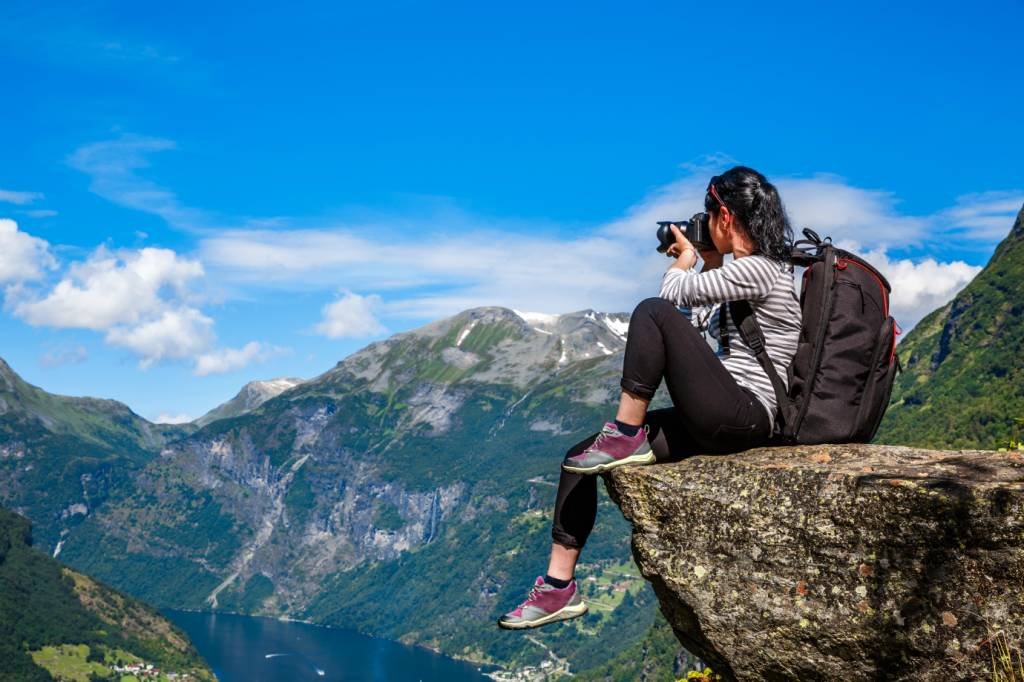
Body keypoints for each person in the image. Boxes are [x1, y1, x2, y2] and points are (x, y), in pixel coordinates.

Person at [498, 166, 802, 630]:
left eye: (706, 215)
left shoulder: (763, 269)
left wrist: (684, 263)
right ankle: (559, 588)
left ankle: (625, 431)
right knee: (579, 456)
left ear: (723, 215)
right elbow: (696, 331)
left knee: (650, 310)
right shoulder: (742, 275)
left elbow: (672, 297)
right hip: (722, 413)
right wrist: (708, 260)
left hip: (748, 414)